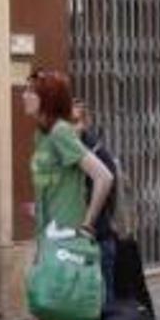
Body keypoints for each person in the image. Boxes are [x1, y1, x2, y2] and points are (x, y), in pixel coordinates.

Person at [22, 68, 114, 320]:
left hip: (66, 243)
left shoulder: (61, 132)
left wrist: (88, 224)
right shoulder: (41, 135)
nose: (24, 96)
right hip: (50, 241)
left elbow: (103, 177)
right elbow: (53, 186)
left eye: (31, 91)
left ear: (47, 98)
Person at [71, 98, 117, 302]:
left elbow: (106, 183)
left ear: (85, 122)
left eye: (75, 122)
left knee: (102, 311)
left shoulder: (97, 155)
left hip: (96, 244)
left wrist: (87, 223)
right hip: (70, 247)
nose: (70, 128)